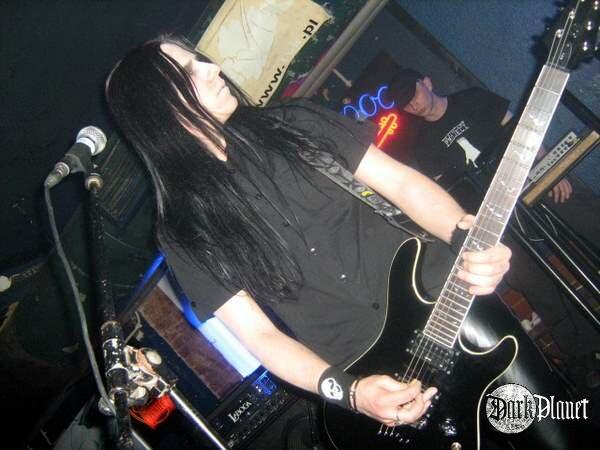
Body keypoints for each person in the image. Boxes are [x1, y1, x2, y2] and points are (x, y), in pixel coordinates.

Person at [106, 36, 593, 448]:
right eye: (189, 72)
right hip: (372, 374)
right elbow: (261, 337)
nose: (212, 68)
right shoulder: (183, 229)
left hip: (451, 307)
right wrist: (353, 394)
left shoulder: (293, 124)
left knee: (559, 433)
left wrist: (465, 234)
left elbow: (402, 184)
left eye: (201, 59)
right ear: (159, 110)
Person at [388, 69, 600, 384]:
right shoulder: (423, 148)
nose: (413, 104)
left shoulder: (471, 99)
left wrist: (548, 169)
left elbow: (521, 130)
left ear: (427, 82)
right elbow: (448, 198)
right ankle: (584, 352)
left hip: (530, 182)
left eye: (413, 94)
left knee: (584, 214)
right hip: (497, 216)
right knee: (530, 279)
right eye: (406, 103)